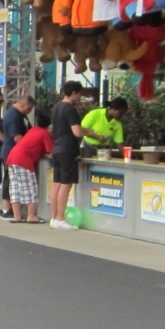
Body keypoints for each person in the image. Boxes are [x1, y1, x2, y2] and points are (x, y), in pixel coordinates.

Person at [48, 82, 99, 229]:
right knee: (66, 184)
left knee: (57, 183)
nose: (80, 97)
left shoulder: (56, 107)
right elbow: (77, 131)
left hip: (57, 148)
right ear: (74, 93)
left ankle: (54, 218)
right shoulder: (70, 109)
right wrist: (89, 132)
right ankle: (60, 218)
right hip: (68, 149)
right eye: (79, 94)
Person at [5, 122, 51, 224]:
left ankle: (17, 216)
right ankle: (31, 216)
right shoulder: (45, 133)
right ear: (49, 126)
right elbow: (50, 150)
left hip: (12, 157)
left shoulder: (32, 130)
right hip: (24, 160)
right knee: (30, 188)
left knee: (15, 188)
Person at [0, 94, 33, 221]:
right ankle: (6, 208)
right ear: (23, 105)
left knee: (13, 181)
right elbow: (17, 138)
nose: (29, 112)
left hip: (14, 151)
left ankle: (12, 208)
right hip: (11, 152)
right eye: (28, 109)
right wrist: (28, 149)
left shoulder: (20, 115)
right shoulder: (13, 117)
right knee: (9, 180)